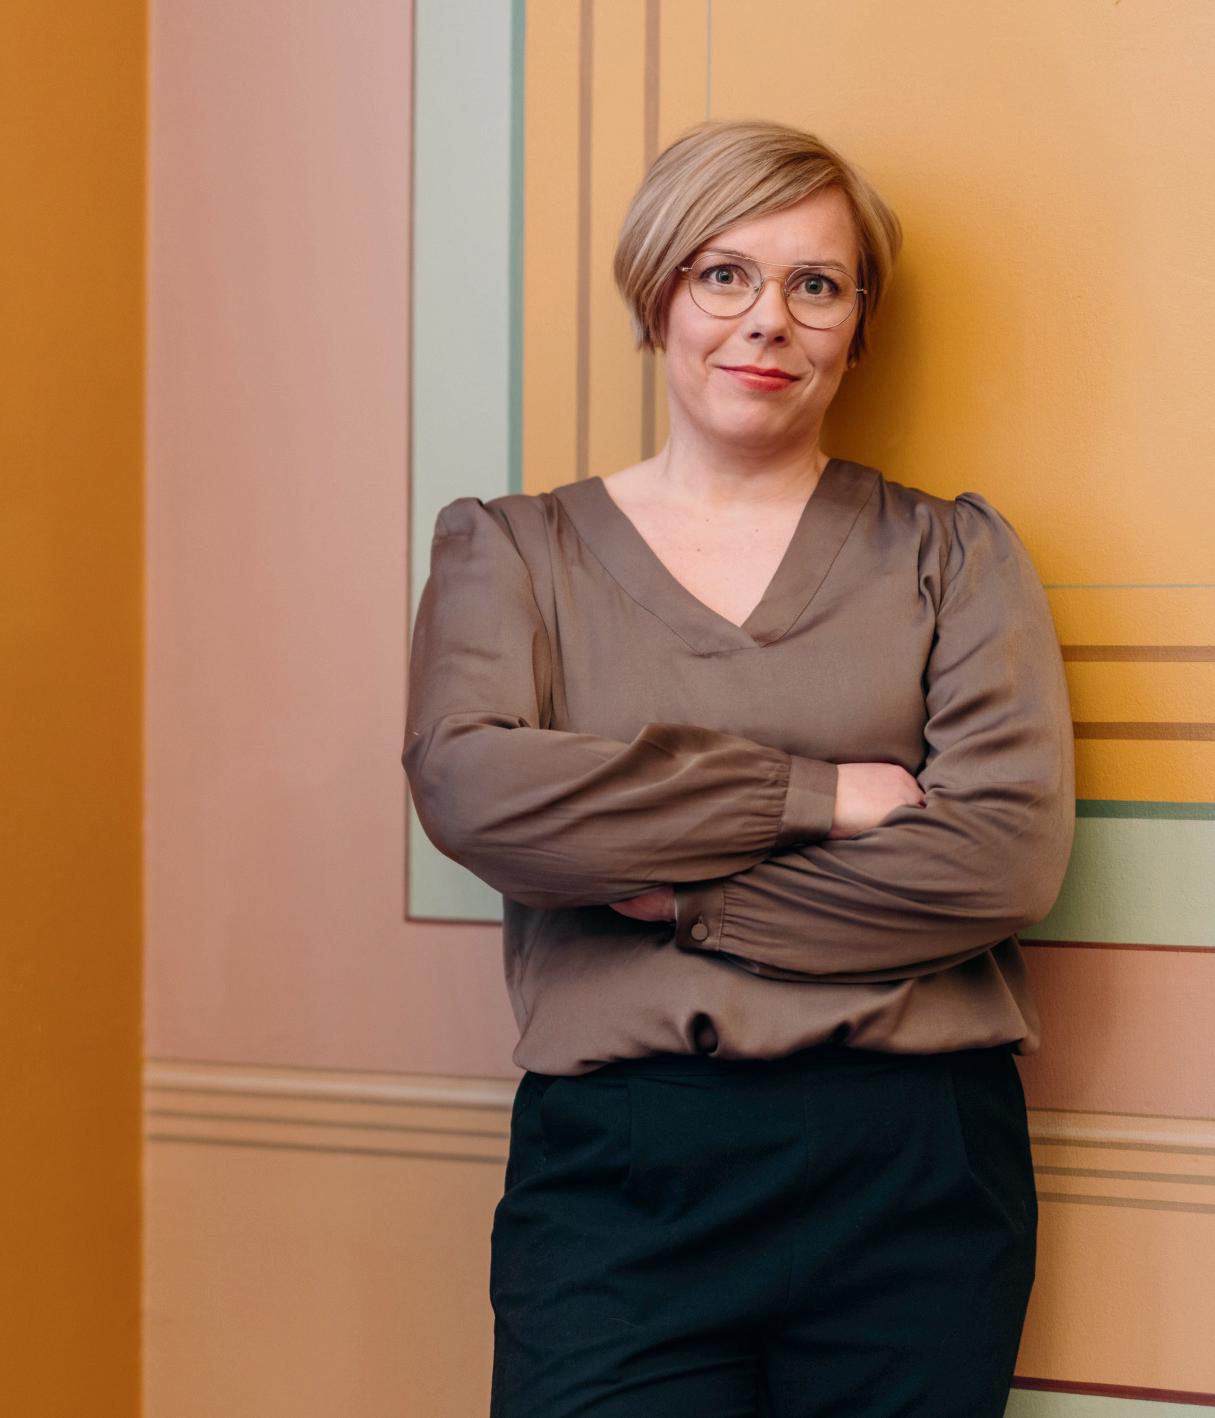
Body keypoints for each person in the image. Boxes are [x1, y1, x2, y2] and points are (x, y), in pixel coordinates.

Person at [403, 118, 1075, 1418]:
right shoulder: (515, 554)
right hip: (619, 1172)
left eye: (817, 284)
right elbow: (477, 793)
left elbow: (1000, 861)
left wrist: (681, 897)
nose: (770, 318)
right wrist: (820, 798)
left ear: (856, 328)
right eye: (724, 273)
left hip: (918, 1165)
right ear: (658, 292)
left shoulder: (956, 557)